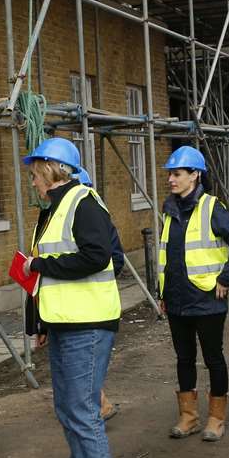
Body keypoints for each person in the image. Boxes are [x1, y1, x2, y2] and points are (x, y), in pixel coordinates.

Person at [23, 138, 122, 458]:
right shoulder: (53, 210)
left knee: (82, 409)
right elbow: (45, 275)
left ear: (52, 169)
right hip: (65, 322)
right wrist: (43, 323)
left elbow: (97, 256)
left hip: (89, 323)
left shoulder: (83, 201)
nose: (32, 182)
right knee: (67, 409)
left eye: (35, 174)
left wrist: (40, 263)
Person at [158, 146, 229, 442]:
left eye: (177, 174)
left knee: (213, 358)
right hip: (176, 300)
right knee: (183, 358)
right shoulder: (170, 210)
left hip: (207, 300)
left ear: (195, 175)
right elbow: (168, 256)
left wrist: (225, 277)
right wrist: (162, 292)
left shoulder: (212, 208)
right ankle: (188, 417)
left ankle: (216, 418)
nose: (171, 179)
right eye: (170, 174)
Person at [73, 166, 127, 423]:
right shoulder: (59, 219)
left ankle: (98, 409)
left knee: (86, 366)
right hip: (68, 306)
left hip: (92, 306)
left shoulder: (96, 218)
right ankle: (97, 405)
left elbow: (115, 259)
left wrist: (89, 277)